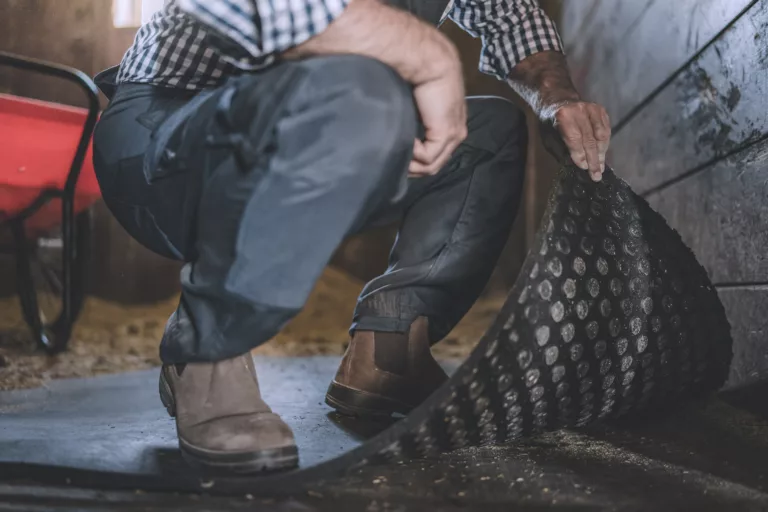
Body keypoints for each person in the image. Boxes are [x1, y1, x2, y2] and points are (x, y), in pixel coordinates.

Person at [92, 0, 611, 473]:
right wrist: (427, 51)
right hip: (162, 135)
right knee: (363, 88)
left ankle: (388, 351)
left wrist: (555, 96)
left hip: (328, 116)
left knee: (487, 135)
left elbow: (508, 14)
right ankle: (208, 346)